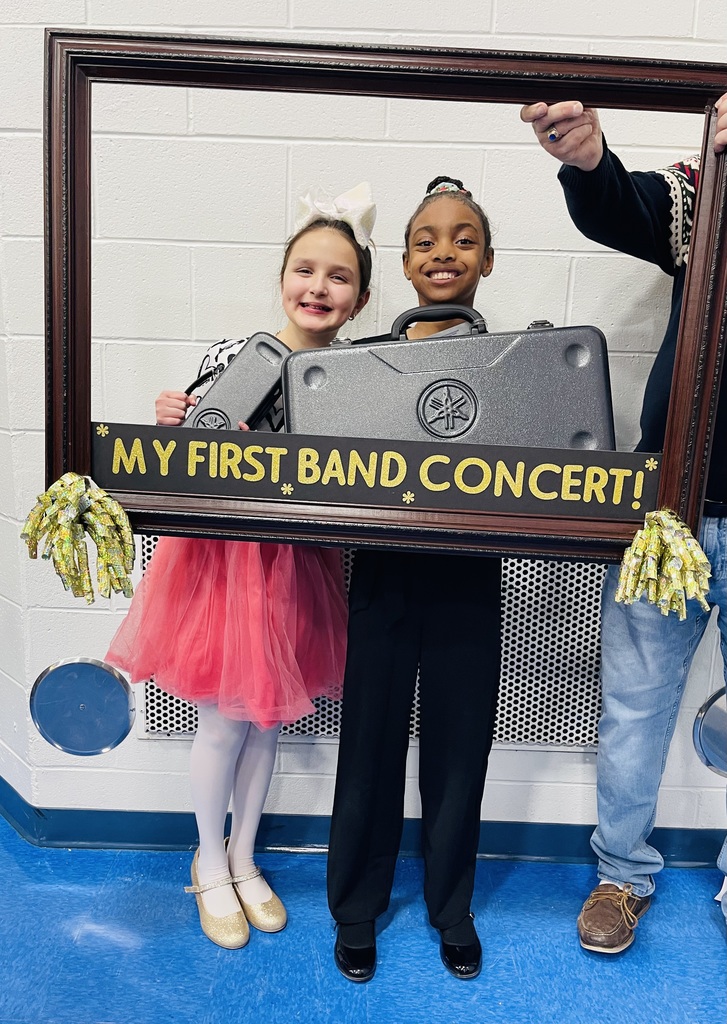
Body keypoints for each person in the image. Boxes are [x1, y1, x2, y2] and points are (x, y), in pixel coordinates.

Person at [105, 185, 374, 949]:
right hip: (226, 565)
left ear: (359, 299)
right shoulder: (233, 356)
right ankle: (207, 859)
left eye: (339, 277)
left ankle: (244, 855)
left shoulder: (357, 374)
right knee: (224, 721)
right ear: (281, 278)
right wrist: (172, 424)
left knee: (266, 722)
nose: (317, 287)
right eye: (304, 270)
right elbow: (191, 456)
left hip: (298, 563)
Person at [519, 94, 727, 952]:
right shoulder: (710, 190)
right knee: (633, 706)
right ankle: (620, 875)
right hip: (669, 509)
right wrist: (588, 158)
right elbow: (625, 206)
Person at [327, 176, 501, 982]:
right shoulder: (367, 365)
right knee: (368, 741)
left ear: (487, 261)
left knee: (460, 746)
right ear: (402, 263)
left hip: (469, 575)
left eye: (464, 239)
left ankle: (450, 906)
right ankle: (355, 907)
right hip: (384, 571)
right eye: (425, 240)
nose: (444, 251)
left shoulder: (517, 365)